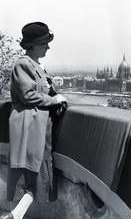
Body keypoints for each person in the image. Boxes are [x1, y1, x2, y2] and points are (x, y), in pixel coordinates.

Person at [0, 22, 67, 219]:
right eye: (45, 43)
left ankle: (15, 215)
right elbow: (28, 95)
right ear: (32, 45)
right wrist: (53, 100)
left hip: (40, 126)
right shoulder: (23, 64)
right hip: (30, 126)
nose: (48, 47)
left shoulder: (36, 65)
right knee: (32, 173)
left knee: (38, 175)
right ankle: (15, 214)